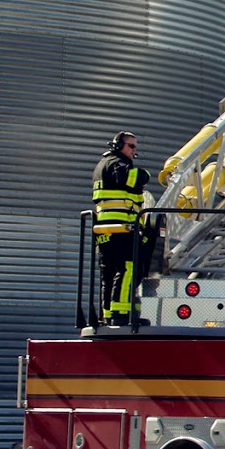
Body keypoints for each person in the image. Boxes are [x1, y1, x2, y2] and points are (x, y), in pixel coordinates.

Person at [90, 130, 156, 324]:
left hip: (106, 229)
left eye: (136, 147)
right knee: (128, 268)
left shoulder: (102, 165)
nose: (134, 151)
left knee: (109, 273)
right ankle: (122, 315)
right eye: (131, 146)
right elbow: (131, 177)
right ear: (119, 145)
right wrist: (145, 174)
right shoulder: (116, 163)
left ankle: (109, 315)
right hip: (121, 228)